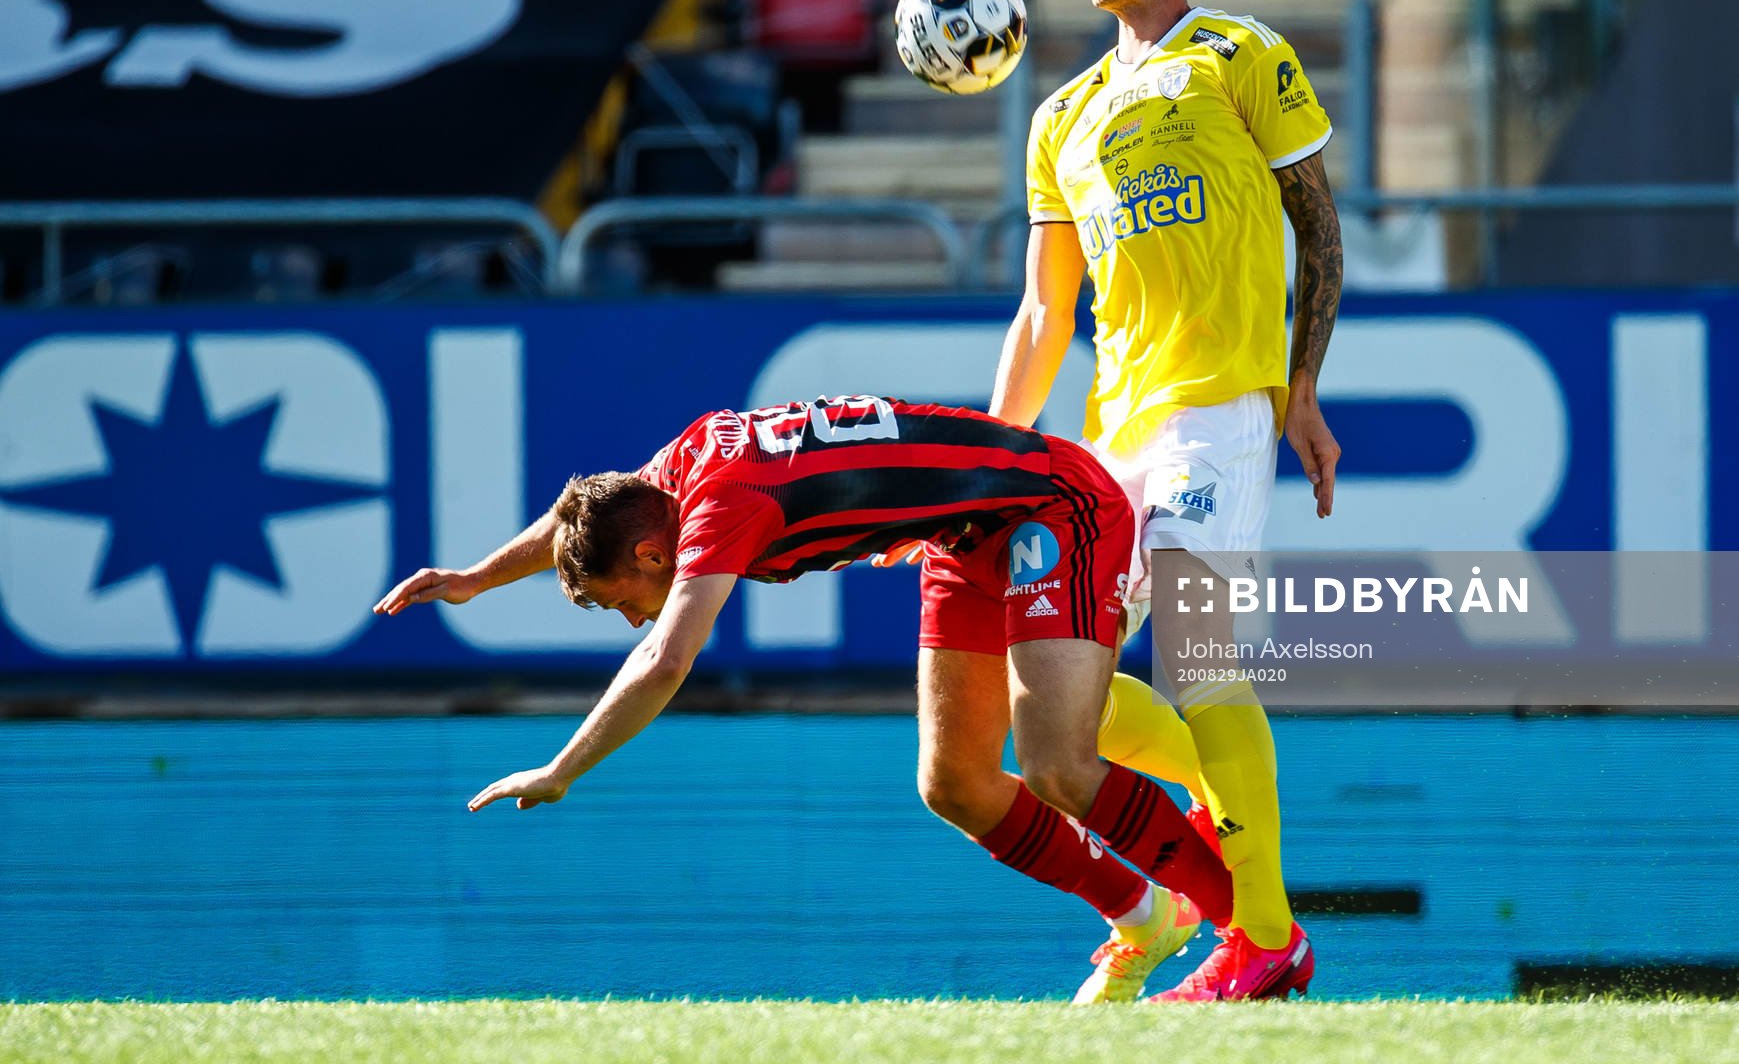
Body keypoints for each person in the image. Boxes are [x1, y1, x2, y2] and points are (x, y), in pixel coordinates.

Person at [373, 394, 1232, 996]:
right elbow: (576, 520)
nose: (628, 618)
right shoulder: (668, 477)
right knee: (955, 784)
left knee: (1059, 768)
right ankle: (1146, 915)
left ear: (649, 556)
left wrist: (562, 768)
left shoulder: (719, 509)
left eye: (615, 601)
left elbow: (668, 659)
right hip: (962, 533)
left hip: (1054, 505)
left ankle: (1255, 939)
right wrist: (476, 579)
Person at [987, 0, 1344, 1002]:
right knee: (1042, 700)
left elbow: (1318, 225)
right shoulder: (1062, 114)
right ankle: (1221, 809)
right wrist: (994, 460)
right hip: (1112, 439)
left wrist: (1301, 385)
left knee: (1198, 655)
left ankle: (1264, 934)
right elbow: (1046, 310)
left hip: (1220, 410)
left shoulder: (1241, 54)